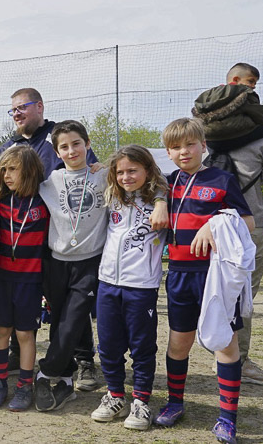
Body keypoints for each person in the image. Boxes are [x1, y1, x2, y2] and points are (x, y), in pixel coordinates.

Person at [0, 88, 100, 383]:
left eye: (23, 107)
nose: (18, 114)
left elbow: (86, 170)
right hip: (28, 239)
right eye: (13, 110)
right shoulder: (7, 146)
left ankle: (84, 359)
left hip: (60, 236)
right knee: (32, 304)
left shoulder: (58, 137)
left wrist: (99, 168)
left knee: (71, 307)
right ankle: (16, 355)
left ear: (40, 107)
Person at [152, 118, 254, 444]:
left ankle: (227, 418)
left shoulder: (223, 180)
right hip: (180, 276)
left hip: (216, 277)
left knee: (226, 343)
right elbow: (132, 178)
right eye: (176, 147)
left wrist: (216, 223)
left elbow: (248, 222)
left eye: (190, 144)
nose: (184, 151)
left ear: (203, 146)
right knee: (178, 344)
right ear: (168, 152)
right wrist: (157, 201)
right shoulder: (166, 185)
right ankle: (174, 403)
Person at [191, 63, 263, 385]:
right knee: (244, 294)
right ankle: (240, 360)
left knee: (208, 291)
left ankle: (214, 350)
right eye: (250, 83)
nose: (253, 89)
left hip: (203, 225)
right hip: (249, 227)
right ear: (236, 83)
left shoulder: (199, 135)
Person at [34, 120, 110, 412]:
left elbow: (144, 174)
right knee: (59, 322)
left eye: (76, 143)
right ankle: (65, 380)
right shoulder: (50, 182)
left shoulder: (104, 175)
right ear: (56, 151)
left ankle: (45, 372)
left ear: (87, 144)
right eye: (64, 146)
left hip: (90, 263)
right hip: (56, 262)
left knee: (74, 320)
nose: (71, 150)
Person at [90, 145, 168, 430]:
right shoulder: (113, 196)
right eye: (120, 171)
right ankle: (114, 395)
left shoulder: (163, 197)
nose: (126, 177)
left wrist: (160, 200)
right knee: (109, 345)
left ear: (147, 170)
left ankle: (141, 400)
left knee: (142, 347)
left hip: (141, 286)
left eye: (133, 170)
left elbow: (167, 180)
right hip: (108, 283)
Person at [0, 146, 49, 411]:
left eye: (13, 170)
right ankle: (0, 383)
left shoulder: (46, 199)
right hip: (1, 278)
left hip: (30, 280)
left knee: (24, 333)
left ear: (30, 171)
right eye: (4, 170)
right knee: (1, 331)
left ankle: (25, 386)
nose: (7, 175)